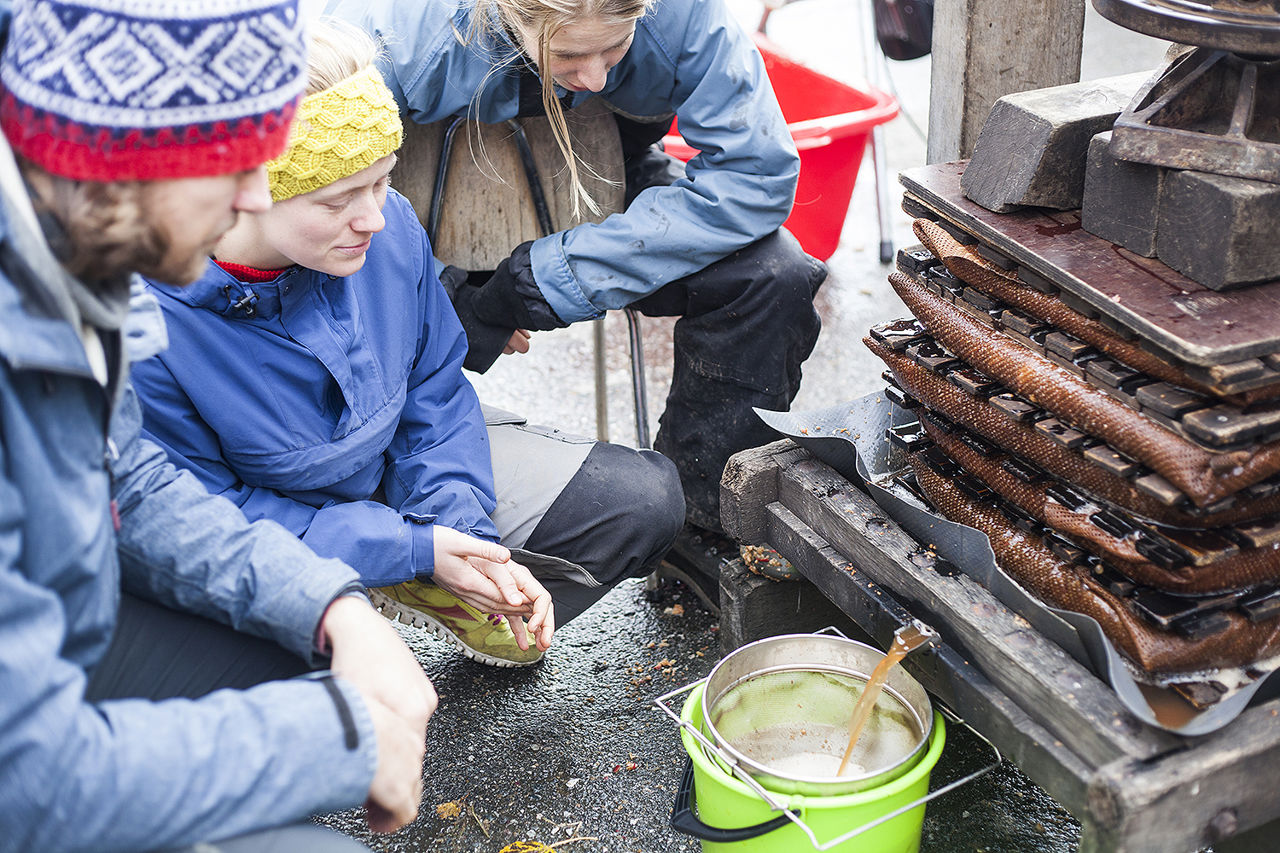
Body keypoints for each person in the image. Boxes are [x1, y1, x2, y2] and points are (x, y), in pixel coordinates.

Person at [0, 1, 436, 849]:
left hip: (55, 653)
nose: (256, 196)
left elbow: (129, 480)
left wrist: (330, 604)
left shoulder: (71, 250)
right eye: (232, 163)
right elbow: (23, 780)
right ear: (129, 156)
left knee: (300, 645)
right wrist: (337, 741)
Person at [130, 18, 685, 668]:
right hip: (275, 530)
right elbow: (207, 518)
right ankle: (368, 594)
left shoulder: (386, 227)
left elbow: (433, 393)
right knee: (307, 688)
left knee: (642, 502)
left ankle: (423, 586)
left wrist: (461, 532)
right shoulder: (147, 323)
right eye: (338, 200)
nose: (374, 217)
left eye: (382, 180)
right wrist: (402, 547)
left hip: (390, 475)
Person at [327, 0, 829, 598]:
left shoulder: (685, 13)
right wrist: (441, 291)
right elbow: (317, 196)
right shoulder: (395, 34)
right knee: (345, 295)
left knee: (774, 275)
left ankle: (702, 527)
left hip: (596, 175)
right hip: (407, 205)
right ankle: (368, 528)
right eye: (568, 53)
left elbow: (754, 176)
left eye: (615, 48)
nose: (594, 78)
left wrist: (542, 281)